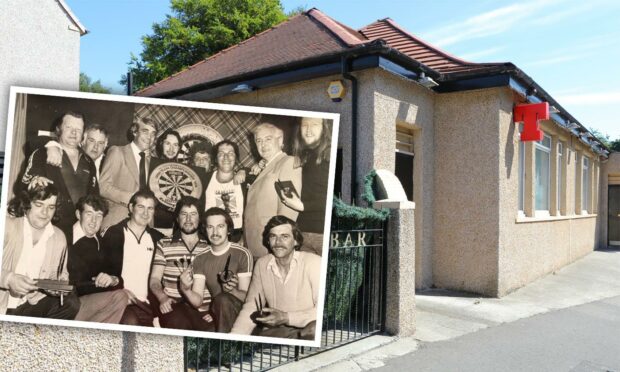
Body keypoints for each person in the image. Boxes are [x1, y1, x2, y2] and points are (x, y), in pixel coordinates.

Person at [231, 215, 319, 339]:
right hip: (275, 332)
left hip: (304, 330)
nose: (278, 242)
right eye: (273, 236)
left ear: (296, 241)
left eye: (285, 236)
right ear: (268, 241)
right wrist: (235, 337)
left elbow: (322, 311)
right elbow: (251, 306)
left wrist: (286, 317)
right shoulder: (262, 264)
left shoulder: (313, 262)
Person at [1, 184, 80, 319]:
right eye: (39, 205)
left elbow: (60, 274)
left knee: (70, 303)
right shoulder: (7, 225)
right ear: (27, 204)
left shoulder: (59, 236)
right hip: (3, 305)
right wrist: (9, 279)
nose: (45, 213)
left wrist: (58, 284)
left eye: (51, 207)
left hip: (30, 303)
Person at [21, 111, 98, 241]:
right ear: (59, 129)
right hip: (47, 225)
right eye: (69, 127)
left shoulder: (89, 162)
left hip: (78, 228)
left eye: (78, 129)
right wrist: (35, 180)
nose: (74, 133)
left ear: (83, 134)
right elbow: (22, 184)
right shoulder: (42, 153)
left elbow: (94, 196)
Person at [180, 207, 253, 332]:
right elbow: (197, 301)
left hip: (243, 313)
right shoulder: (200, 258)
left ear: (228, 229)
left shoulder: (242, 254)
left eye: (220, 226)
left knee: (223, 300)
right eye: (210, 227)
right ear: (205, 230)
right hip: (220, 312)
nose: (215, 232)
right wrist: (185, 289)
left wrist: (232, 291)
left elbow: (248, 299)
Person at [100, 189, 164, 327]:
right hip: (121, 302)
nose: (145, 213)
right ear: (131, 207)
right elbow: (104, 273)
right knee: (131, 324)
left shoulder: (158, 239)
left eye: (150, 208)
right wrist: (119, 291)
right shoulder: (114, 234)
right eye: (140, 207)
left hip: (147, 306)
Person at [148, 196, 212, 331]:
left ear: (200, 219)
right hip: (174, 309)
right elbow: (154, 279)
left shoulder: (209, 247)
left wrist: (214, 311)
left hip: (205, 312)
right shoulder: (164, 244)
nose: (188, 219)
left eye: (193, 214)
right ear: (177, 218)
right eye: (184, 214)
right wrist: (162, 297)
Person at [244, 123, 301, 259]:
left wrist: (280, 244)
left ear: (280, 140)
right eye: (259, 141)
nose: (263, 145)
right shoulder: (264, 167)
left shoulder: (288, 162)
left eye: (268, 139)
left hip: (272, 244)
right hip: (255, 242)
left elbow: (289, 209)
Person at [68, 194, 128, 323]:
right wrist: (96, 283)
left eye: (99, 215)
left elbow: (119, 279)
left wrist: (112, 280)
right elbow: (72, 283)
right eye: (89, 214)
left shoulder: (103, 243)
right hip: (64, 303)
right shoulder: (64, 236)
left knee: (121, 297)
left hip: (87, 302)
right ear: (78, 214)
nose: (94, 221)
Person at [284, 117, 331, 256]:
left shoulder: (328, 154)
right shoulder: (303, 154)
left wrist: (303, 206)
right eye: (305, 125)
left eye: (315, 124)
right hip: (302, 232)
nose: (309, 130)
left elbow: (331, 196)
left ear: (324, 129)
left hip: (321, 233)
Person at [99, 117, 158, 228]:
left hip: (145, 226)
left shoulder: (152, 163)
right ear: (134, 132)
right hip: (117, 223)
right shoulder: (117, 152)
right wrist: (133, 199)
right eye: (145, 132)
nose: (149, 137)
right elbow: (103, 187)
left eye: (153, 134)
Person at [202, 140, 248, 242]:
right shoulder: (204, 180)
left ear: (236, 158)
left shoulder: (245, 181)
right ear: (215, 159)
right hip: (209, 236)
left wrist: (245, 170)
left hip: (238, 237)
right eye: (221, 154)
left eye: (230, 154)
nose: (226, 157)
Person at [44, 123, 110, 181]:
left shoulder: (107, 162)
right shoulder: (65, 153)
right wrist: (52, 145)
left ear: (105, 145)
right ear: (83, 140)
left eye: (100, 143)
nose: (96, 146)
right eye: (91, 141)